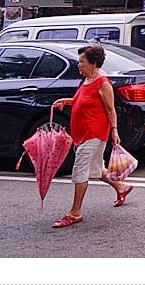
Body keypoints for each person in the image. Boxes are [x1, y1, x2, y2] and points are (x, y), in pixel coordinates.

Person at [50, 44, 133, 228]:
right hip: (83, 132)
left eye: (82, 62)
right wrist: (68, 101)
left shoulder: (103, 82)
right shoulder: (87, 79)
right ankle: (121, 187)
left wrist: (114, 131)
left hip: (94, 133)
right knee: (96, 168)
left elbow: (110, 109)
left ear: (93, 63)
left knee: (80, 170)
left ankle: (75, 212)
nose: (79, 65)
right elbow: (85, 101)